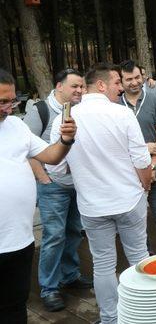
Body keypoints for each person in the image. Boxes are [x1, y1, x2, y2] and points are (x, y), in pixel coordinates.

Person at [50, 63, 152, 324]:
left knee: (103, 264)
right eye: (117, 82)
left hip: (92, 205)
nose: (121, 88)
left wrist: (83, 181)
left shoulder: (65, 118)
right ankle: (146, 314)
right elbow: (141, 159)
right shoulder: (122, 114)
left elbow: (57, 169)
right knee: (139, 257)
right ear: (101, 84)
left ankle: (111, 319)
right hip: (129, 199)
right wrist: (145, 186)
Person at [0, 68, 77, 323]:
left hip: (20, 242)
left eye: (12, 101)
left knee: (15, 306)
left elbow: (51, 156)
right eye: (2, 102)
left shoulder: (16, 127)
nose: (9, 108)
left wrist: (66, 140)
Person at [23, 68, 92, 312]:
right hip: (52, 186)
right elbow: (26, 147)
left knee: (74, 231)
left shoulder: (81, 110)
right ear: (59, 86)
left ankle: (69, 275)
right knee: (53, 235)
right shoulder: (41, 111)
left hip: (76, 185)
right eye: (74, 86)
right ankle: (49, 288)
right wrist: (43, 178)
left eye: (82, 87)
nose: (79, 91)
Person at [120, 60, 156, 253]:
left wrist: (152, 166)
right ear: (121, 81)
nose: (134, 82)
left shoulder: (155, 100)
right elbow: (118, 143)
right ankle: (143, 259)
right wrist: (145, 149)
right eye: (129, 79)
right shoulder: (115, 106)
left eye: (137, 77)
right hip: (127, 171)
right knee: (135, 219)